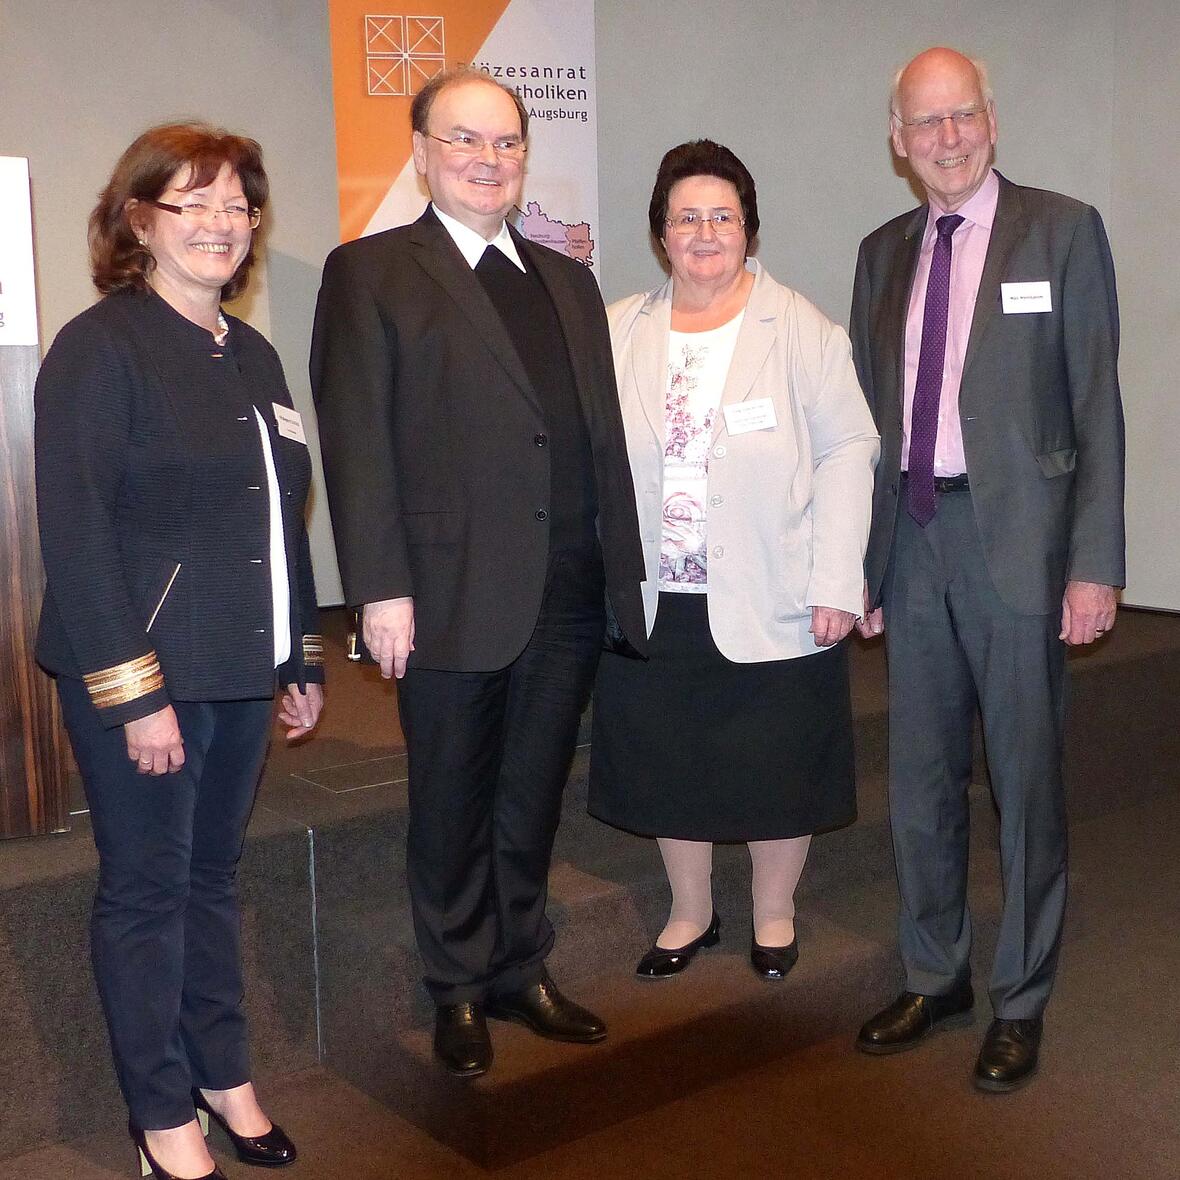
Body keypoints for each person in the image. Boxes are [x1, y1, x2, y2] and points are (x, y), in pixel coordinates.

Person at [310, 68, 647, 1079]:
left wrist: (622, 571)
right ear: (420, 151)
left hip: (568, 586)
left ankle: (518, 964)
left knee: (532, 789)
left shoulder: (567, 280)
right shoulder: (372, 271)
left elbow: (597, 439)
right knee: (453, 791)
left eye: (504, 144)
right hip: (447, 588)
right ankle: (455, 981)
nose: (487, 161)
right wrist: (381, 587)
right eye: (463, 141)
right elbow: (356, 439)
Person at [34, 124, 324, 1180]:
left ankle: (223, 1073)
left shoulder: (251, 354)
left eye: (236, 205)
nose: (217, 223)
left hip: (242, 665)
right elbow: (77, 532)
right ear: (140, 220)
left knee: (212, 879)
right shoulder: (100, 345)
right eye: (190, 203)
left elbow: (277, 518)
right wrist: (132, 694)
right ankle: (160, 1114)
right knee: (148, 889)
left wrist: (298, 655)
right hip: (148, 673)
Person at [850, 48, 1125, 1091]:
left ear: (991, 121)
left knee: (1022, 779)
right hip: (915, 540)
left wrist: (1093, 563)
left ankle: (1020, 994)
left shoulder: (1060, 230)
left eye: (960, 116)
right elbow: (871, 422)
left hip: (1021, 546)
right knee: (918, 779)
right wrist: (862, 562)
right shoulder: (882, 253)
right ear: (896, 139)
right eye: (924, 124)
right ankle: (935, 972)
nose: (945, 138)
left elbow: (1097, 401)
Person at [588, 140, 879, 982]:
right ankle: (690, 910)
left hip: (771, 584)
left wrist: (837, 579)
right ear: (661, 234)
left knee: (775, 761)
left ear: (748, 229)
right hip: (656, 595)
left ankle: (775, 911)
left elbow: (849, 449)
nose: (705, 231)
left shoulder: (801, 328)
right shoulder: (619, 329)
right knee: (668, 758)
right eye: (687, 217)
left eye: (723, 215)